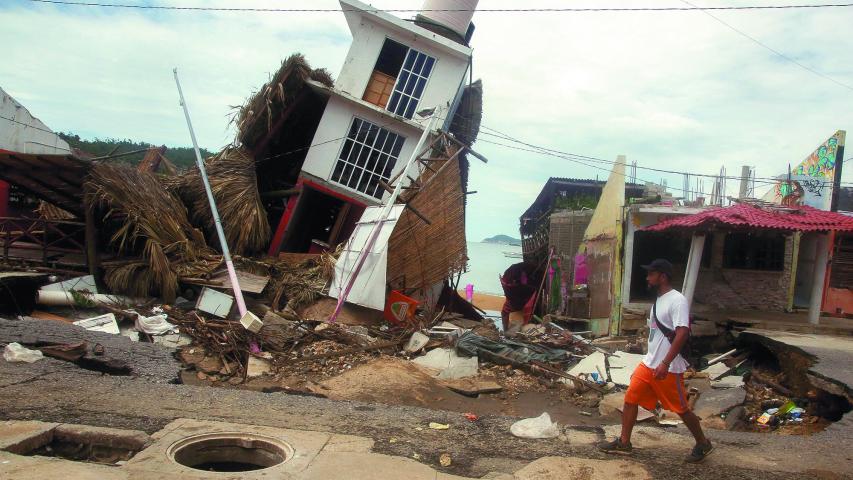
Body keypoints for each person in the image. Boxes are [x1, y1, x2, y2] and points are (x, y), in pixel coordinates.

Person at [598, 258, 714, 463]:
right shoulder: (659, 301)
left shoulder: (677, 300)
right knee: (630, 399)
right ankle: (624, 443)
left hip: (667, 366)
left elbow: (682, 333)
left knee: (681, 409)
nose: (647, 277)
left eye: (651, 273)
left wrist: (666, 363)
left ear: (663, 276)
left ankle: (703, 443)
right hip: (649, 363)